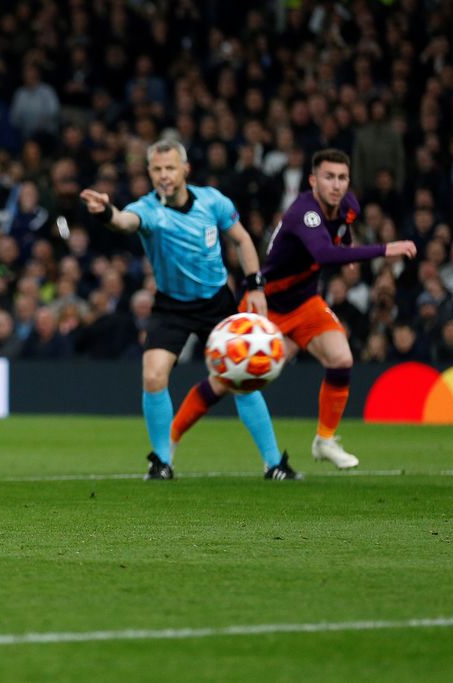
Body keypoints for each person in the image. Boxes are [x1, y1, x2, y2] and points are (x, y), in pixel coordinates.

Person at [169, 149, 417, 469]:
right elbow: (325, 254)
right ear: (313, 181)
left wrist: (348, 250)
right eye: (329, 177)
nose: (336, 185)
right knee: (226, 381)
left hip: (305, 301)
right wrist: (385, 249)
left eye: (342, 178)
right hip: (266, 305)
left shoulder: (349, 207)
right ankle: (170, 440)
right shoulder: (304, 212)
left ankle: (325, 440)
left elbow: (341, 237)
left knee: (341, 358)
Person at [80, 139, 298, 480]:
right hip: (171, 306)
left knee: (243, 379)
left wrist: (254, 284)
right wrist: (107, 212)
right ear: (149, 173)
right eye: (157, 169)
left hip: (216, 302)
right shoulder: (148, 209)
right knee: (153, 375)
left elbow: (241, 239)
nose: (164, 175)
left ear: (185, 170)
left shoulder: (213, 201)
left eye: (170, 168)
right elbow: (123, 222)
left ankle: (274, 463)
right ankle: (162, 462)